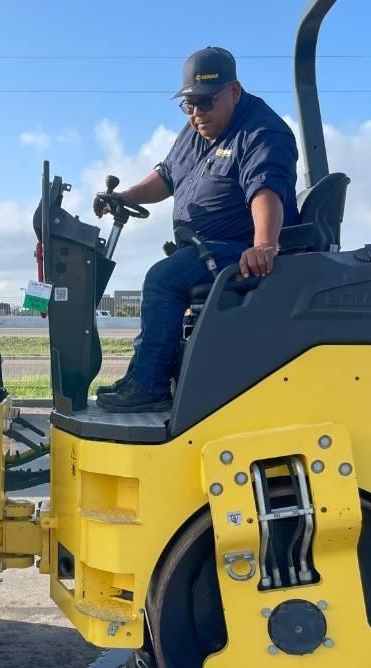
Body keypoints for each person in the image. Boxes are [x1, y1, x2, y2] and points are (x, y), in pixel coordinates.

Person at [94, 46, 300, 412]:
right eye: (188, 105)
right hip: (205, 246)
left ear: (233, 91)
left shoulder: (262, 131)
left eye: (204, 102)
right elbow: (166, 177)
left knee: (163, 278)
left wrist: (264, 245)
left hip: (238, 249)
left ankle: (150, 386)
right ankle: (149, 374)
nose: (195, 114)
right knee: (170, 272)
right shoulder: (196, 130)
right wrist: (124, 196)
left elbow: (266, 188)